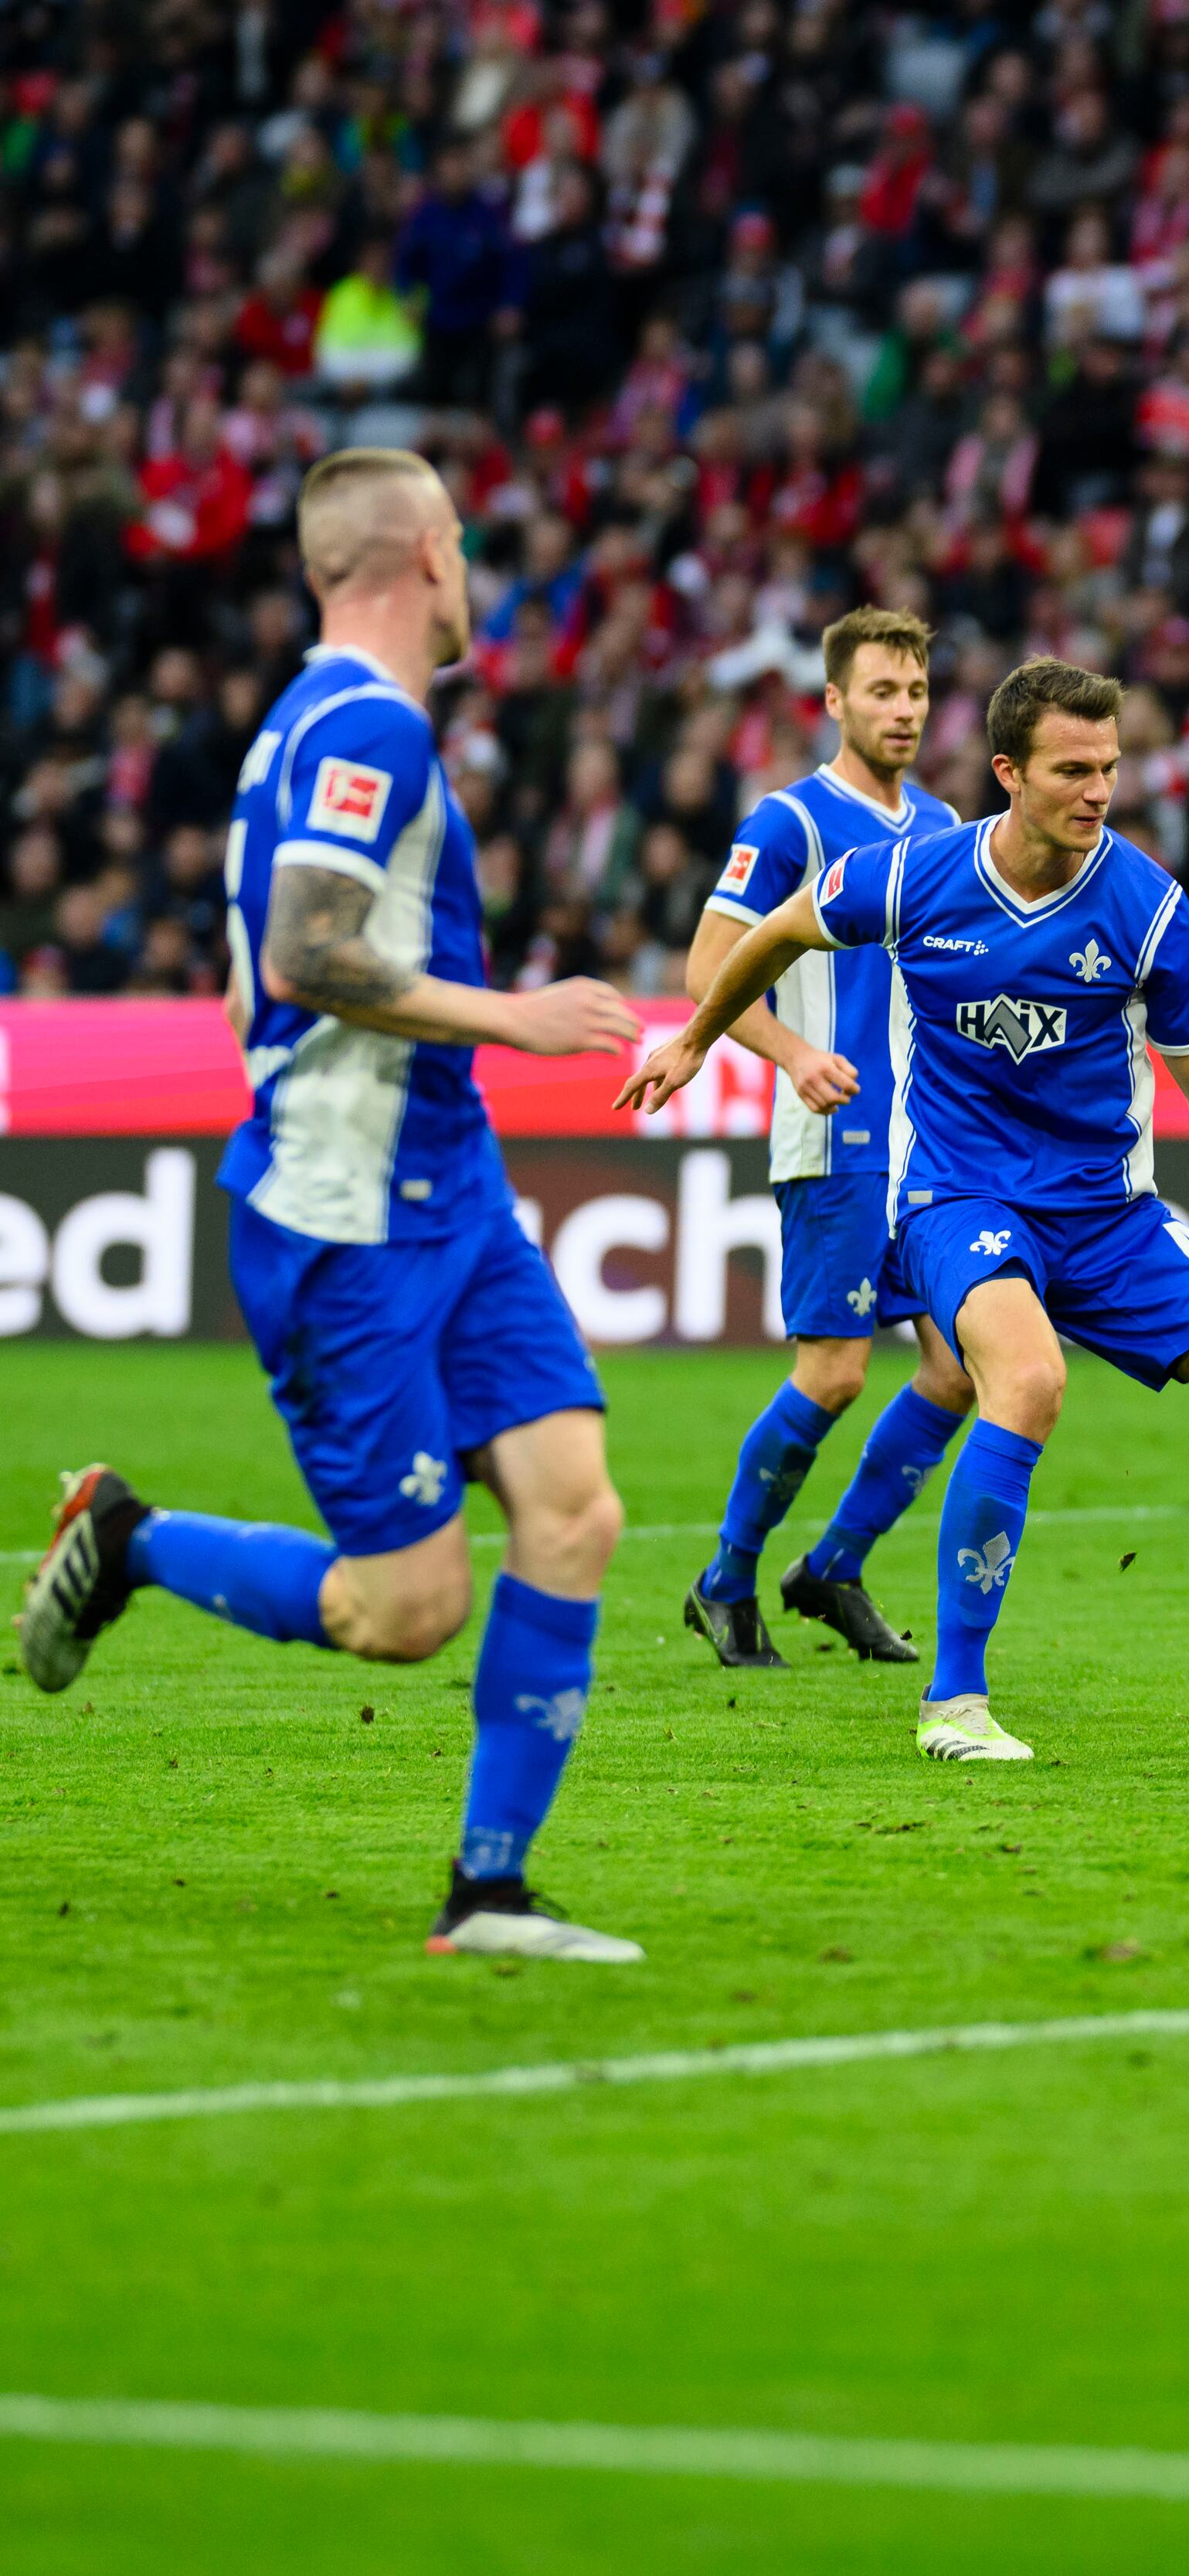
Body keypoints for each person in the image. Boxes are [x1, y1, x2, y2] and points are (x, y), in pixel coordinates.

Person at [13, 448, 646, 1962]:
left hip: (449, 1187)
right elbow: (302, 951)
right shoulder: (369, 726)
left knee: (576, 1511)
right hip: (347, 1220)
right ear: (427, 551)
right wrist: (515, 1017)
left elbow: (248, 973)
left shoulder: (299, 729)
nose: (474, 569)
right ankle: (135, 1537)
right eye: (467, 543)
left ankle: (487, 1892)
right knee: (405, 1606)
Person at [620, 658, 1189, 1762]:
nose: (1097, 791)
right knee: (1024, 1380)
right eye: (1072, 770)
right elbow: (777, 930)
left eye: (1111, 769)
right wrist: (702, 1037)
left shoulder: (1146, 906)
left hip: (1110, 1215)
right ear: (1007, 773)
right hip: (959, 1197)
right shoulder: (910, 875)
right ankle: (954, 1702)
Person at [676, 606, 966, 1669]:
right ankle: (724, 1580)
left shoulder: (942, 829)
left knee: (959, 1370)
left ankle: (834, 1564)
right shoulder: (790, 822)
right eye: (882, 692)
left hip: (931, 1146)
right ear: (835, 701)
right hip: (836, 1137)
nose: (903, 711)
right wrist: (793, 1055)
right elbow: (708, 966)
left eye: (918, 692)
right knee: (837, 1372)